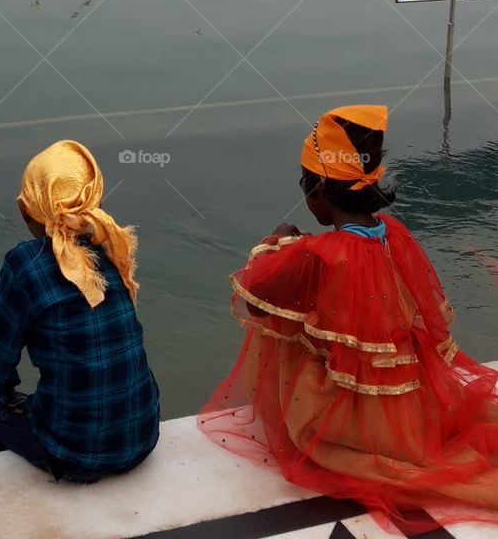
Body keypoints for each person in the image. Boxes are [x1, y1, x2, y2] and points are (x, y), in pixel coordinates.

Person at [200, 105, 498, 532]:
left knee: (280, 330)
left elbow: (256, 294)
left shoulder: (317, 253)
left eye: (305, 187)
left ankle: (313, 423)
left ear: (318, 192)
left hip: (352, 418)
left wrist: (277, 243)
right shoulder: (397, 233)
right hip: (412, 402)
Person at [0, 140, 160, 482]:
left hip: (74, 457)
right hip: (143, 438)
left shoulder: (26, 263)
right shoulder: (113, 247)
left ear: (27, 211)